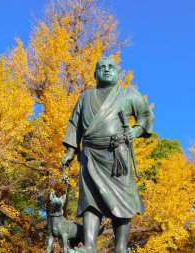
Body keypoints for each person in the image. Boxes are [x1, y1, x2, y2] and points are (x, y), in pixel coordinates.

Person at [61, 57, 154, 253]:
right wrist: (71, 149)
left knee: (123, 200)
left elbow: (145, 115)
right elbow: (74, 124)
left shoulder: (128, 93)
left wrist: (135, 131)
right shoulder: (85, 97)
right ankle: (89, 245)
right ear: (95, 74)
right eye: (101, 67)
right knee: (90, 200)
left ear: (118, 72)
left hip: (117, 155)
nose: (106, 70)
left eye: (111, 67)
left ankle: (121, 246)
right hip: (90, 155)